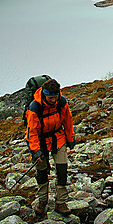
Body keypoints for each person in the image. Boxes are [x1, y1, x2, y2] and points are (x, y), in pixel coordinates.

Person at [25, 77, 76, 215]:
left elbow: (68, 120)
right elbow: (32, 131)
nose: (54, 100)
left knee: (62, 170)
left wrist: (70, 138)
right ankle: (42, 201)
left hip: (58, 137)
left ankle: (61, 202)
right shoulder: (34, 107)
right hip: (40, 141)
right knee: (42, 171)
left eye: (55, 97)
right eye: (51, 98)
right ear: (45, 94)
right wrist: (36, 151)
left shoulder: (61, 102)